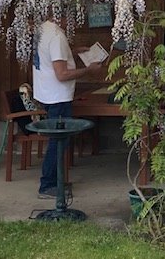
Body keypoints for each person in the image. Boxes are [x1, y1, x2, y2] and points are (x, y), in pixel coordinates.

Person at [32, 18, 106, 198]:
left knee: (59, 141)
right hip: (57, 97)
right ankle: (47, 185)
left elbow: (50, 58)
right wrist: (89, 70)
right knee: (58, 142)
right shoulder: (56, 35)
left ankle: (54, 181)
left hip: (46, 94)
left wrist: (72, 52)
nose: (73, 20)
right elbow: (62, 74)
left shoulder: (43, 29)